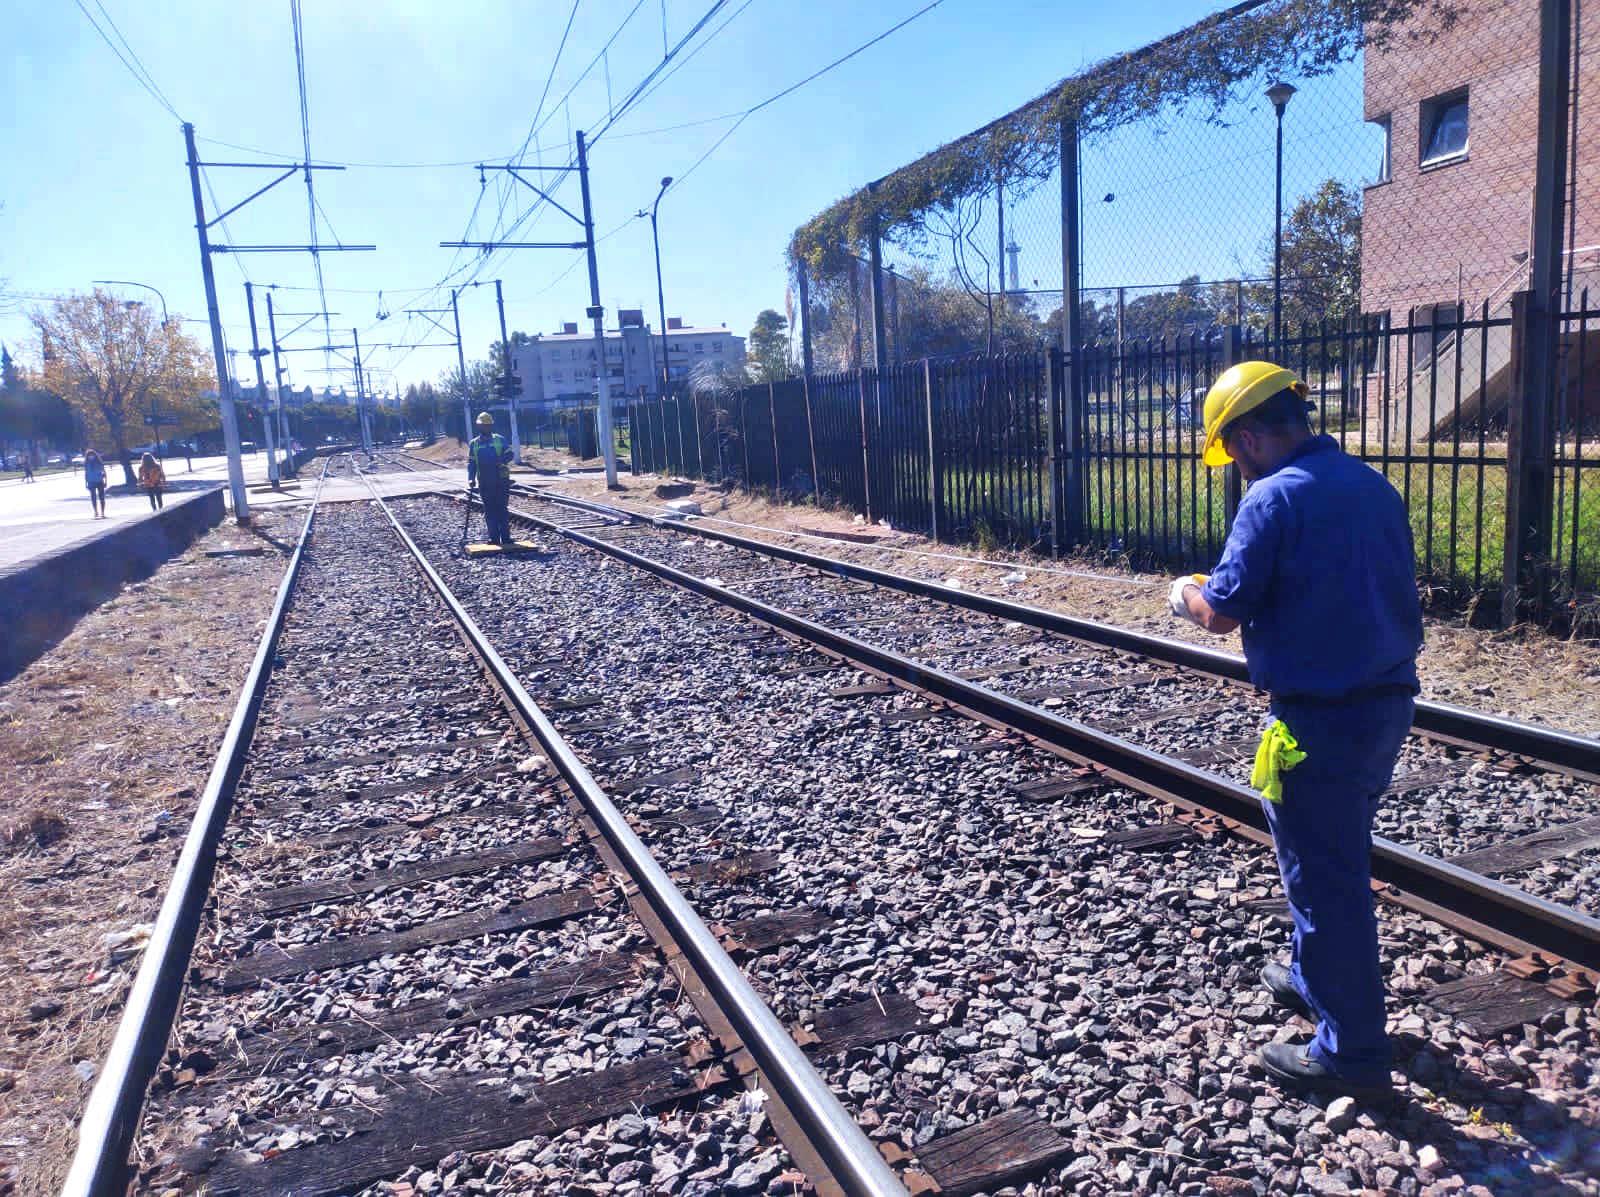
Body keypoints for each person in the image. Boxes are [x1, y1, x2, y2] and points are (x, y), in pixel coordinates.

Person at [1169, 360, 1423, 1101]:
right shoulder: (1372, 485)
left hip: (1317, 718)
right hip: (1387, 705)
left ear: (1247, 438)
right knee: (1335, 852)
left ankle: (1352, 1053)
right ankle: (1316, 978)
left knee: (1324, 878)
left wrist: (1181, 594)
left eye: (1231, 451)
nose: (1235, 466)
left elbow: (1222, 609)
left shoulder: (1270, 500)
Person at [466, 412, 513, 545]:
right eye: (483, 426)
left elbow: (510, 453)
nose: (486, 428)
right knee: (490, 509)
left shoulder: (500, 439)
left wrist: (502, 461)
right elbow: (472, 463)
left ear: (491, 426)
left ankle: (506, 538)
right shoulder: (474, 444)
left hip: (501, 480)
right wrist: (471, 478)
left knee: (502, 509)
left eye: (488, 425)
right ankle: (494, 538)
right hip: (485, 481)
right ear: (479, 427)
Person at [83, 449, 108, 518]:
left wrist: (106, 481)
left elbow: (104, 472)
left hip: (99, 481)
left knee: (102, 497)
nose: (91, 456)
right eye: (89, 455)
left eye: (92, 455)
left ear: (95, 455)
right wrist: (86, 483)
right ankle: (96, 511)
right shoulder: (86, 464)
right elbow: (86, 474)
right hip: (91, 482)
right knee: (93, 498)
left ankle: (102, 512)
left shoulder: (99, 462)